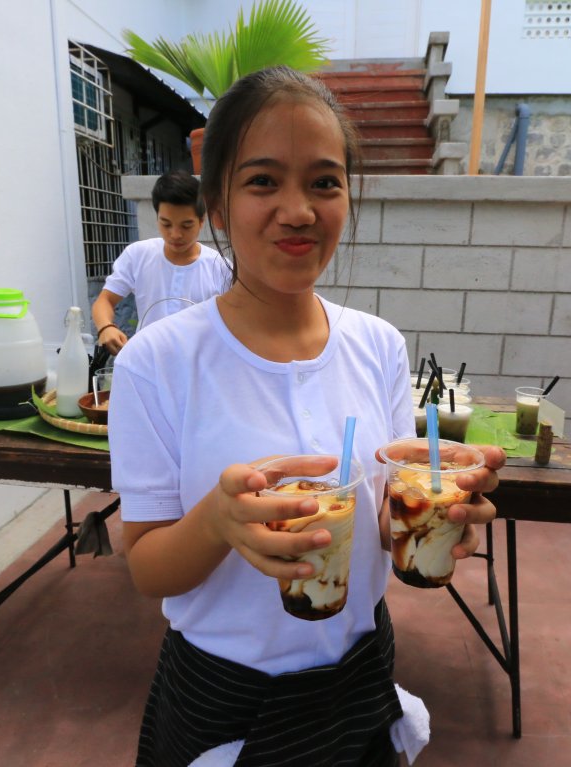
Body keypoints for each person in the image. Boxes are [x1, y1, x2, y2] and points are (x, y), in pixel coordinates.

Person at [108, 67, 505, 766]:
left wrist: (433, 514)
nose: (299, 210)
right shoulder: (156, 361)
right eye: (263, 181)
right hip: (227, 697)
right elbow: (145, 565)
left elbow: (381, 520)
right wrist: (217, 521)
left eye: (325, 182)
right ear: (219, 207)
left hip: (358, 678)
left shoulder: (377, 345)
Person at [90, 170, 229, 354]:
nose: (175, 234)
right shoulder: (138, 255)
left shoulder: (219, 267)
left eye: (186, 225)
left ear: (202, 221)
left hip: (200, 367)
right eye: (166, 224)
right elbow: (105, 300)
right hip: (147, 363)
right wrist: (106, 327)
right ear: (157, 218)